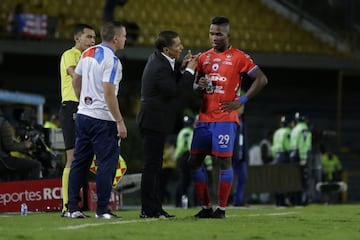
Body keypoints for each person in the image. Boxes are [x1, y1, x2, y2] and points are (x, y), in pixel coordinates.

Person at [189, 16, 268, 219]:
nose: (214, 37)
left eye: (219, 34)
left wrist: (242, 100)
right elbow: (195, 85)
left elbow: (261, 79)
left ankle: (221, 209)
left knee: (224, 162)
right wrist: (200, 86)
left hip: (225, 119)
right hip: (204, 118)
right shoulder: (203, 58)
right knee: (194, 161)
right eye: (211, 33)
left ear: (228, 35)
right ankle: (206, 207)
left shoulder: (239, 57)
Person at [67, 21, 128, 219]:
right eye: (124, 36)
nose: (126, 39)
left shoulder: (87, 53)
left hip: (84, 115)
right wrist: (119, 121)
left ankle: (72, 208)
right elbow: (109, 92)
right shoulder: (112, 61)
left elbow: (76, 80)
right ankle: (102, 210)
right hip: (103, 119)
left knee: (79, 163)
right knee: (106, 164)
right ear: (116, 38)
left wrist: (83, 102)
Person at [136, 30, 199, 219]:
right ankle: (148, 209)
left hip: (155, 121)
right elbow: (177, 92)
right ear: (166, 49)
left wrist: (182, 68)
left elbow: (171, 84)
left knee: (155, 166)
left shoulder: (160, 60)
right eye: (177, 45)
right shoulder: (159, 67)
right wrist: (189, 71)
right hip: (152, 122)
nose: (181, 47)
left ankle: (155, 207)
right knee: (151, 166)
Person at [59, 23, 96, 217]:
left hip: (84, 109)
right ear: (77, 38)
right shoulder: (70, 54)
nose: (92, 41)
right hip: (72, 107)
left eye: (94, 37)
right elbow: (73, 73)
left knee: (84, 158)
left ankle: (77, 203)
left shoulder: (89, 58)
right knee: (72, 159)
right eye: (88, 37)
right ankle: (67, 206)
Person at [0, 109, 42, 180]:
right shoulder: (3, 123)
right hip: (3, 161)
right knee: (35, 165)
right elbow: (9, 146)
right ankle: (31, 190)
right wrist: (25, 145)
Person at [289, 112, 312, 206]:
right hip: (300, 156)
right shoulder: (304, 129)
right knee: (303, 179)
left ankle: (294, 200)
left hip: (292, 155)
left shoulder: (294, 129)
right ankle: (302, 201)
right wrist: (303, 158)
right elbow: (303, 144)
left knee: (295, 179)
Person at [272, 115, 292, 207]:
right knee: (285, 179)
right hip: (284, 156)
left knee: (277, 179)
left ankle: (278, 200)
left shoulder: (277, 132)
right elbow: (287, 145)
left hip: (276, 156)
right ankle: (284, 200)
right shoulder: (288, 132)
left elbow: (273, 146)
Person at [231, 104, 248, 207]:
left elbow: (244, 139)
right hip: (232, 155)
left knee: (243, 177)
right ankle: (226, 199)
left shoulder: (242, 121)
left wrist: (245, 154)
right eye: (241, 107)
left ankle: (238, 200)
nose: (243, 109)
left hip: (241, 155)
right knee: (228, 179)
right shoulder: (232, 120)